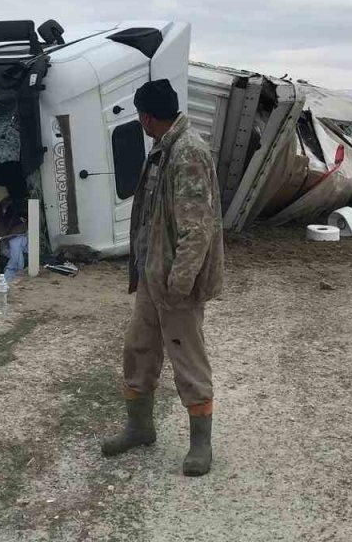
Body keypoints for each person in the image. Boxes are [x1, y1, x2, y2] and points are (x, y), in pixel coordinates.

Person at [101, 79, 225, 477]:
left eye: (140, 117)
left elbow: (197, 228)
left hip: (175, 283)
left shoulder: (187, 152)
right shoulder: (165, 148)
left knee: (187, 360)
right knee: (138, 350)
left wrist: (179, 283)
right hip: (154, 276)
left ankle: (200, 446)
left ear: (147, 116)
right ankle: (140, 429)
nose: (141, 123)